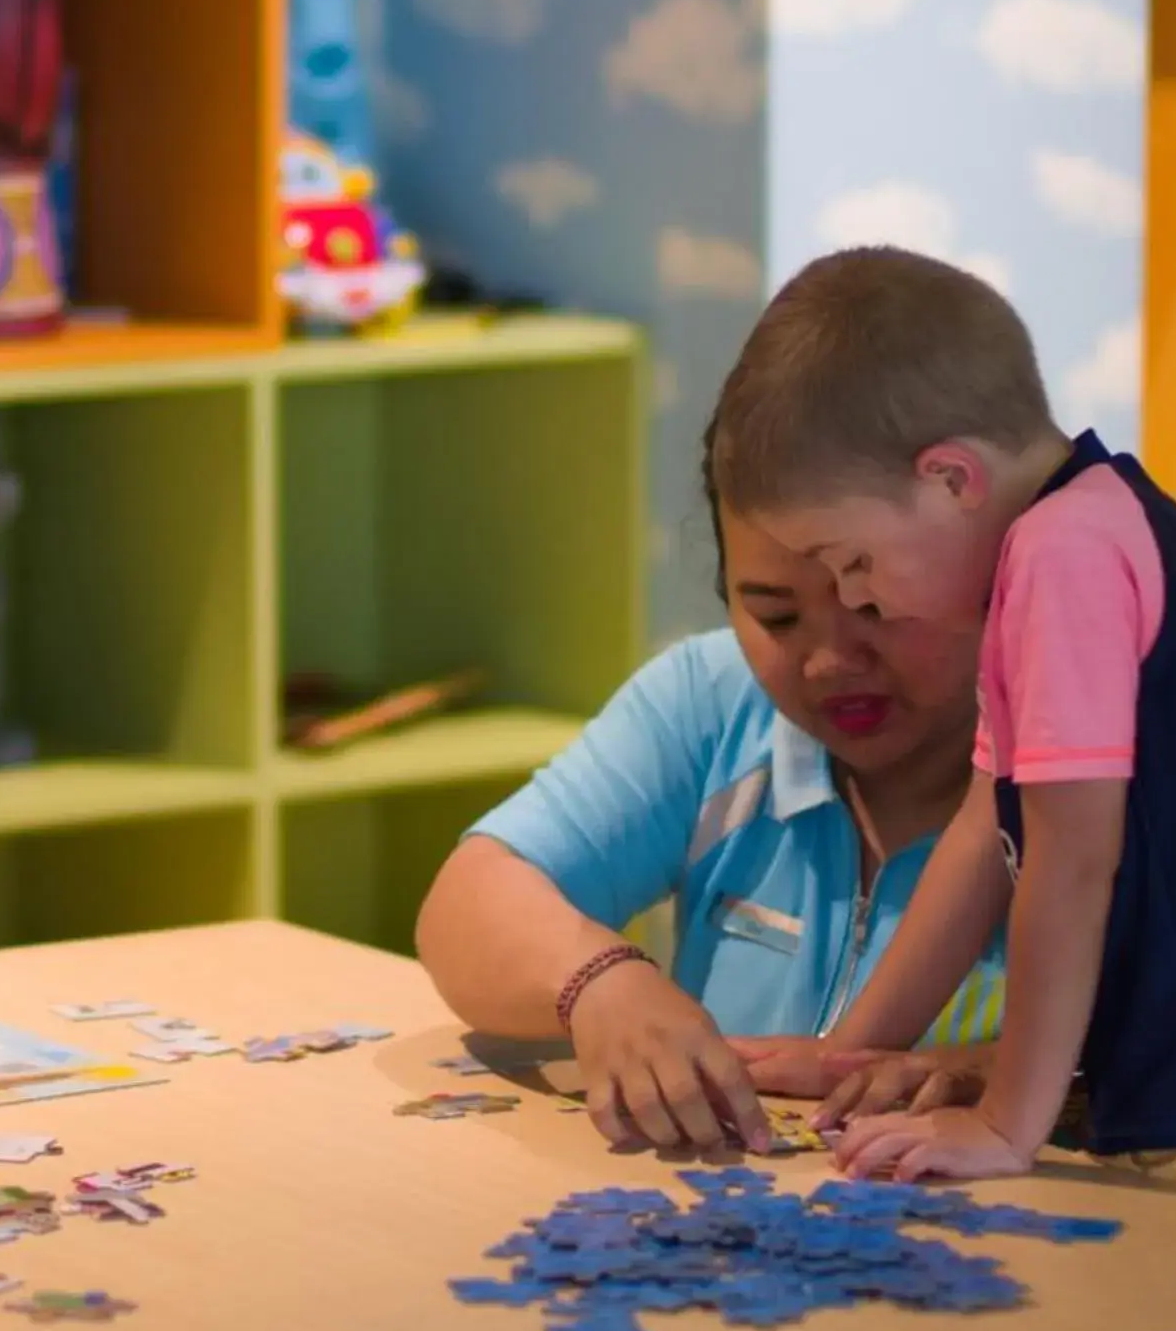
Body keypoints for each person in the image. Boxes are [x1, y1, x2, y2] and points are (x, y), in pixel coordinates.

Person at [704, 246, 1176, 1260]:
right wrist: (852, 1052)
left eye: (854, 560)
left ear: (952, 477)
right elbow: (983, 828)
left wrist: (1007, 1122)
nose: (860, 597)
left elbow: (1070, 859)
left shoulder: (1067, 555)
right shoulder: (1064, 539)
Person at [415, 431, 1012, 1156]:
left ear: (991, 576)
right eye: (775, 616)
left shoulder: (1092, 765)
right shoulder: (714, 699)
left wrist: (1002, 1072)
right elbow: (470, 897)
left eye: (876, 607)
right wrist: (600, 981)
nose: (830, 661)